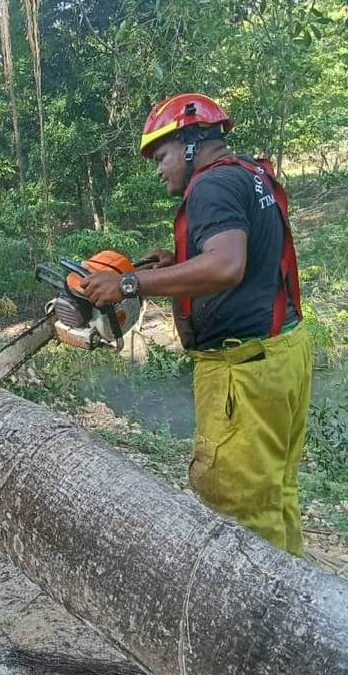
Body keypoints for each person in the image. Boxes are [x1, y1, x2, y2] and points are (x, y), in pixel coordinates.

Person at [80, 93, 311, 556]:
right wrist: (177, 262)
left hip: (242, 372)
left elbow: (226, 266)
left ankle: (252, 622)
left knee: (239, 511)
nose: (159, 168)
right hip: (283, 353)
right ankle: (291, 598)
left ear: (189, 144)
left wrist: (131, 284)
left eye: (161, 155)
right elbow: (252, 258)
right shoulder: (249, 174)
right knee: (275, 495)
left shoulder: (210, 187)